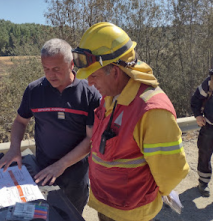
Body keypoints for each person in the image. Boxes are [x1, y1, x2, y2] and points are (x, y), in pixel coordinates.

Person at [72, 22, 190, 221]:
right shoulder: (110, 96)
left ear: (116, 72)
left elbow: (172, 172)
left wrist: (147, 194)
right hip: (107, 204)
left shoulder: (152, 111)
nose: (89, 83)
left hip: (131, 213)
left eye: (94, 76)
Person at [0, 38, 101, 214]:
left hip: (76, 176)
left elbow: (92, 138)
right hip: (42, 172)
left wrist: (62, 164)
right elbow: (20, 121)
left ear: (71, 64)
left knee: (71, 216)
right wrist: (14, 148)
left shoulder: (89, 93)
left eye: (57, 69)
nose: (51, 75)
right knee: (44, 215)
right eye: (46, 69)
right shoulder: (34, 90)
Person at [190, 59, 213, 197]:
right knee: (204, 154)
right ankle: (203, 182)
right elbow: (196, 99)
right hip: (210, 126)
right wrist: (198, 115)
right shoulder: (211, 82)